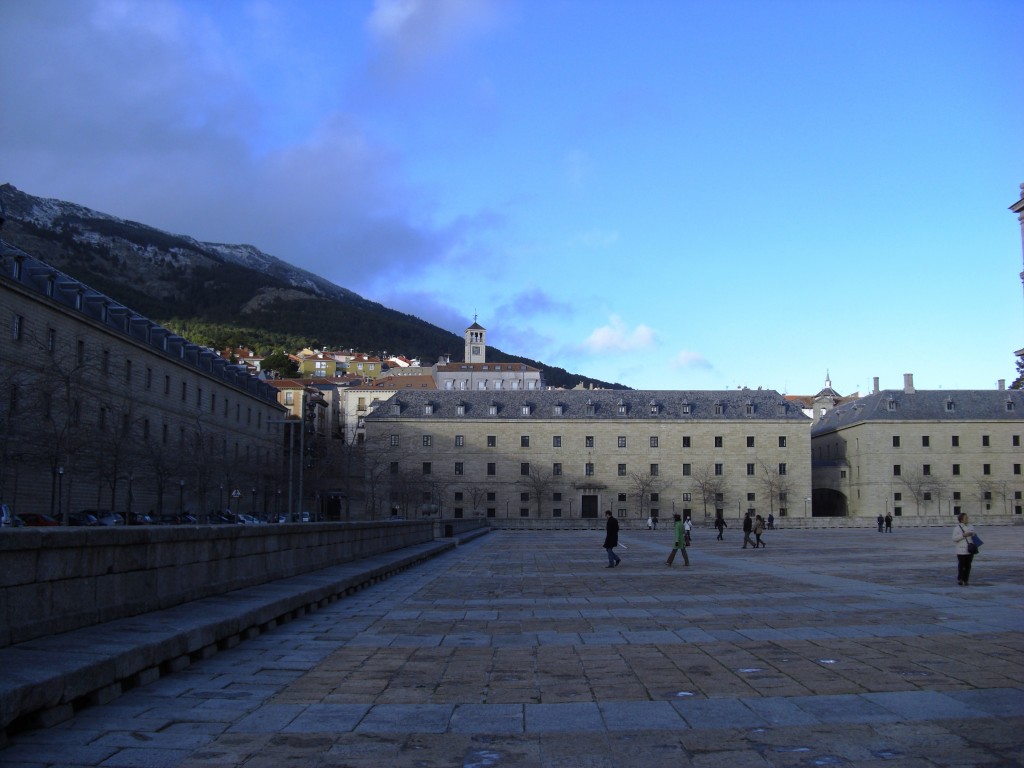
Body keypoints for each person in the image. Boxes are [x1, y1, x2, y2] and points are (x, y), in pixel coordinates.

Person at [953, 512, 977, 586]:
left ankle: (966, 580)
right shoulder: (957, 528)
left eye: (967, 518)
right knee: (961, 565)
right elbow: (954, 539)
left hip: (970, 549)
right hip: (961, 550)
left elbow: (974, 536)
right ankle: (960, 579)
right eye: (966, 518)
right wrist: (963, 535)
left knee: (968, 566)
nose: (967, 519)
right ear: (961, 520)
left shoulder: (971, 526)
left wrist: (973, 534)